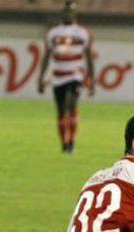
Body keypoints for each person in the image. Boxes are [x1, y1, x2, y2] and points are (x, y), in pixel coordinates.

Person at [37, 0, 94, 153]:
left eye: (70, 11)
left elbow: (89, 57)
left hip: (75, 75)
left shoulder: (83, 32)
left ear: (75, 13)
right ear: (62, 13)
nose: (67, 13)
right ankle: (64, 143)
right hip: (58, 76)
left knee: (71, 104)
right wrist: (41, 78)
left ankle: (72, 142)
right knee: (61, 110)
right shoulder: (53, 32)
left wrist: (91, 80)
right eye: (65, 11)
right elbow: (47, 56)